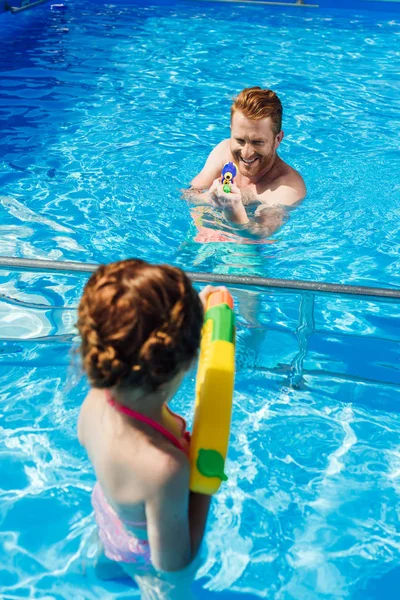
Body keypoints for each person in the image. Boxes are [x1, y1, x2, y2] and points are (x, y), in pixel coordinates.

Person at [77, 259, 221, 596]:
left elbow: (139, 343)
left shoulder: (98, 396)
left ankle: (98, 576)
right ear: (185, 363)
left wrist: (190, 318)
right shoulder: (163, 467)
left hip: (111, 514)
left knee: (106, 569)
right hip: (143, 552)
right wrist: (204, 482)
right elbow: (173, 562)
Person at [188, 86, 306, 240]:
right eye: (239, 140)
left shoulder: (289, 187)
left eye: (257, 142)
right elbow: (188, 194)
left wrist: (234, 211)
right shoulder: (224, 152)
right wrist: (210, 199)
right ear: (231, 131)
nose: (246, 153)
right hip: (203, 235)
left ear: (277, 139)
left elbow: (262, 232)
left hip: (243, 253)